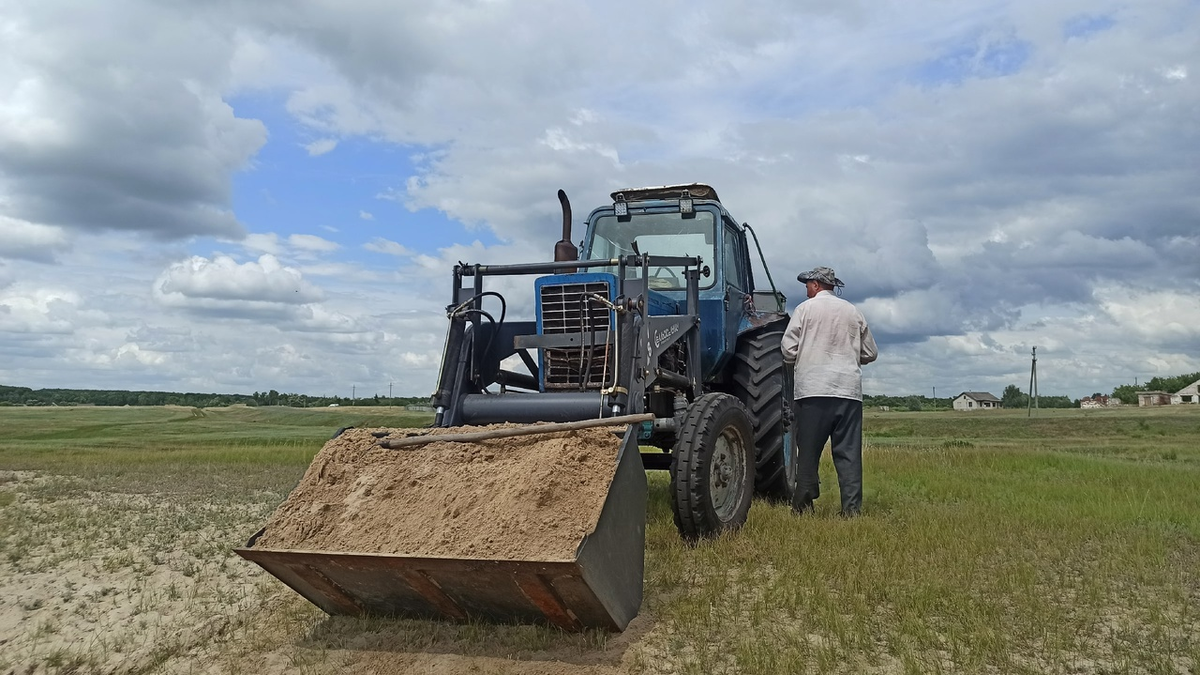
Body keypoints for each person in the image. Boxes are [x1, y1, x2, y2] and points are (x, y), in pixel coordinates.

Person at [781, 266, 878, 516]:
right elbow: (870, 353)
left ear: (815, 285)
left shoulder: (804, 309)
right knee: (849, 454)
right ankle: (851, 510)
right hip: (848, 392)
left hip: (812, 391)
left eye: (807, 284)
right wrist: (848, 355)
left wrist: (805, 355)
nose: (806, 289)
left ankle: (803, 507)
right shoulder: (853, 311)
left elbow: (788, 350)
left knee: (808, 452)